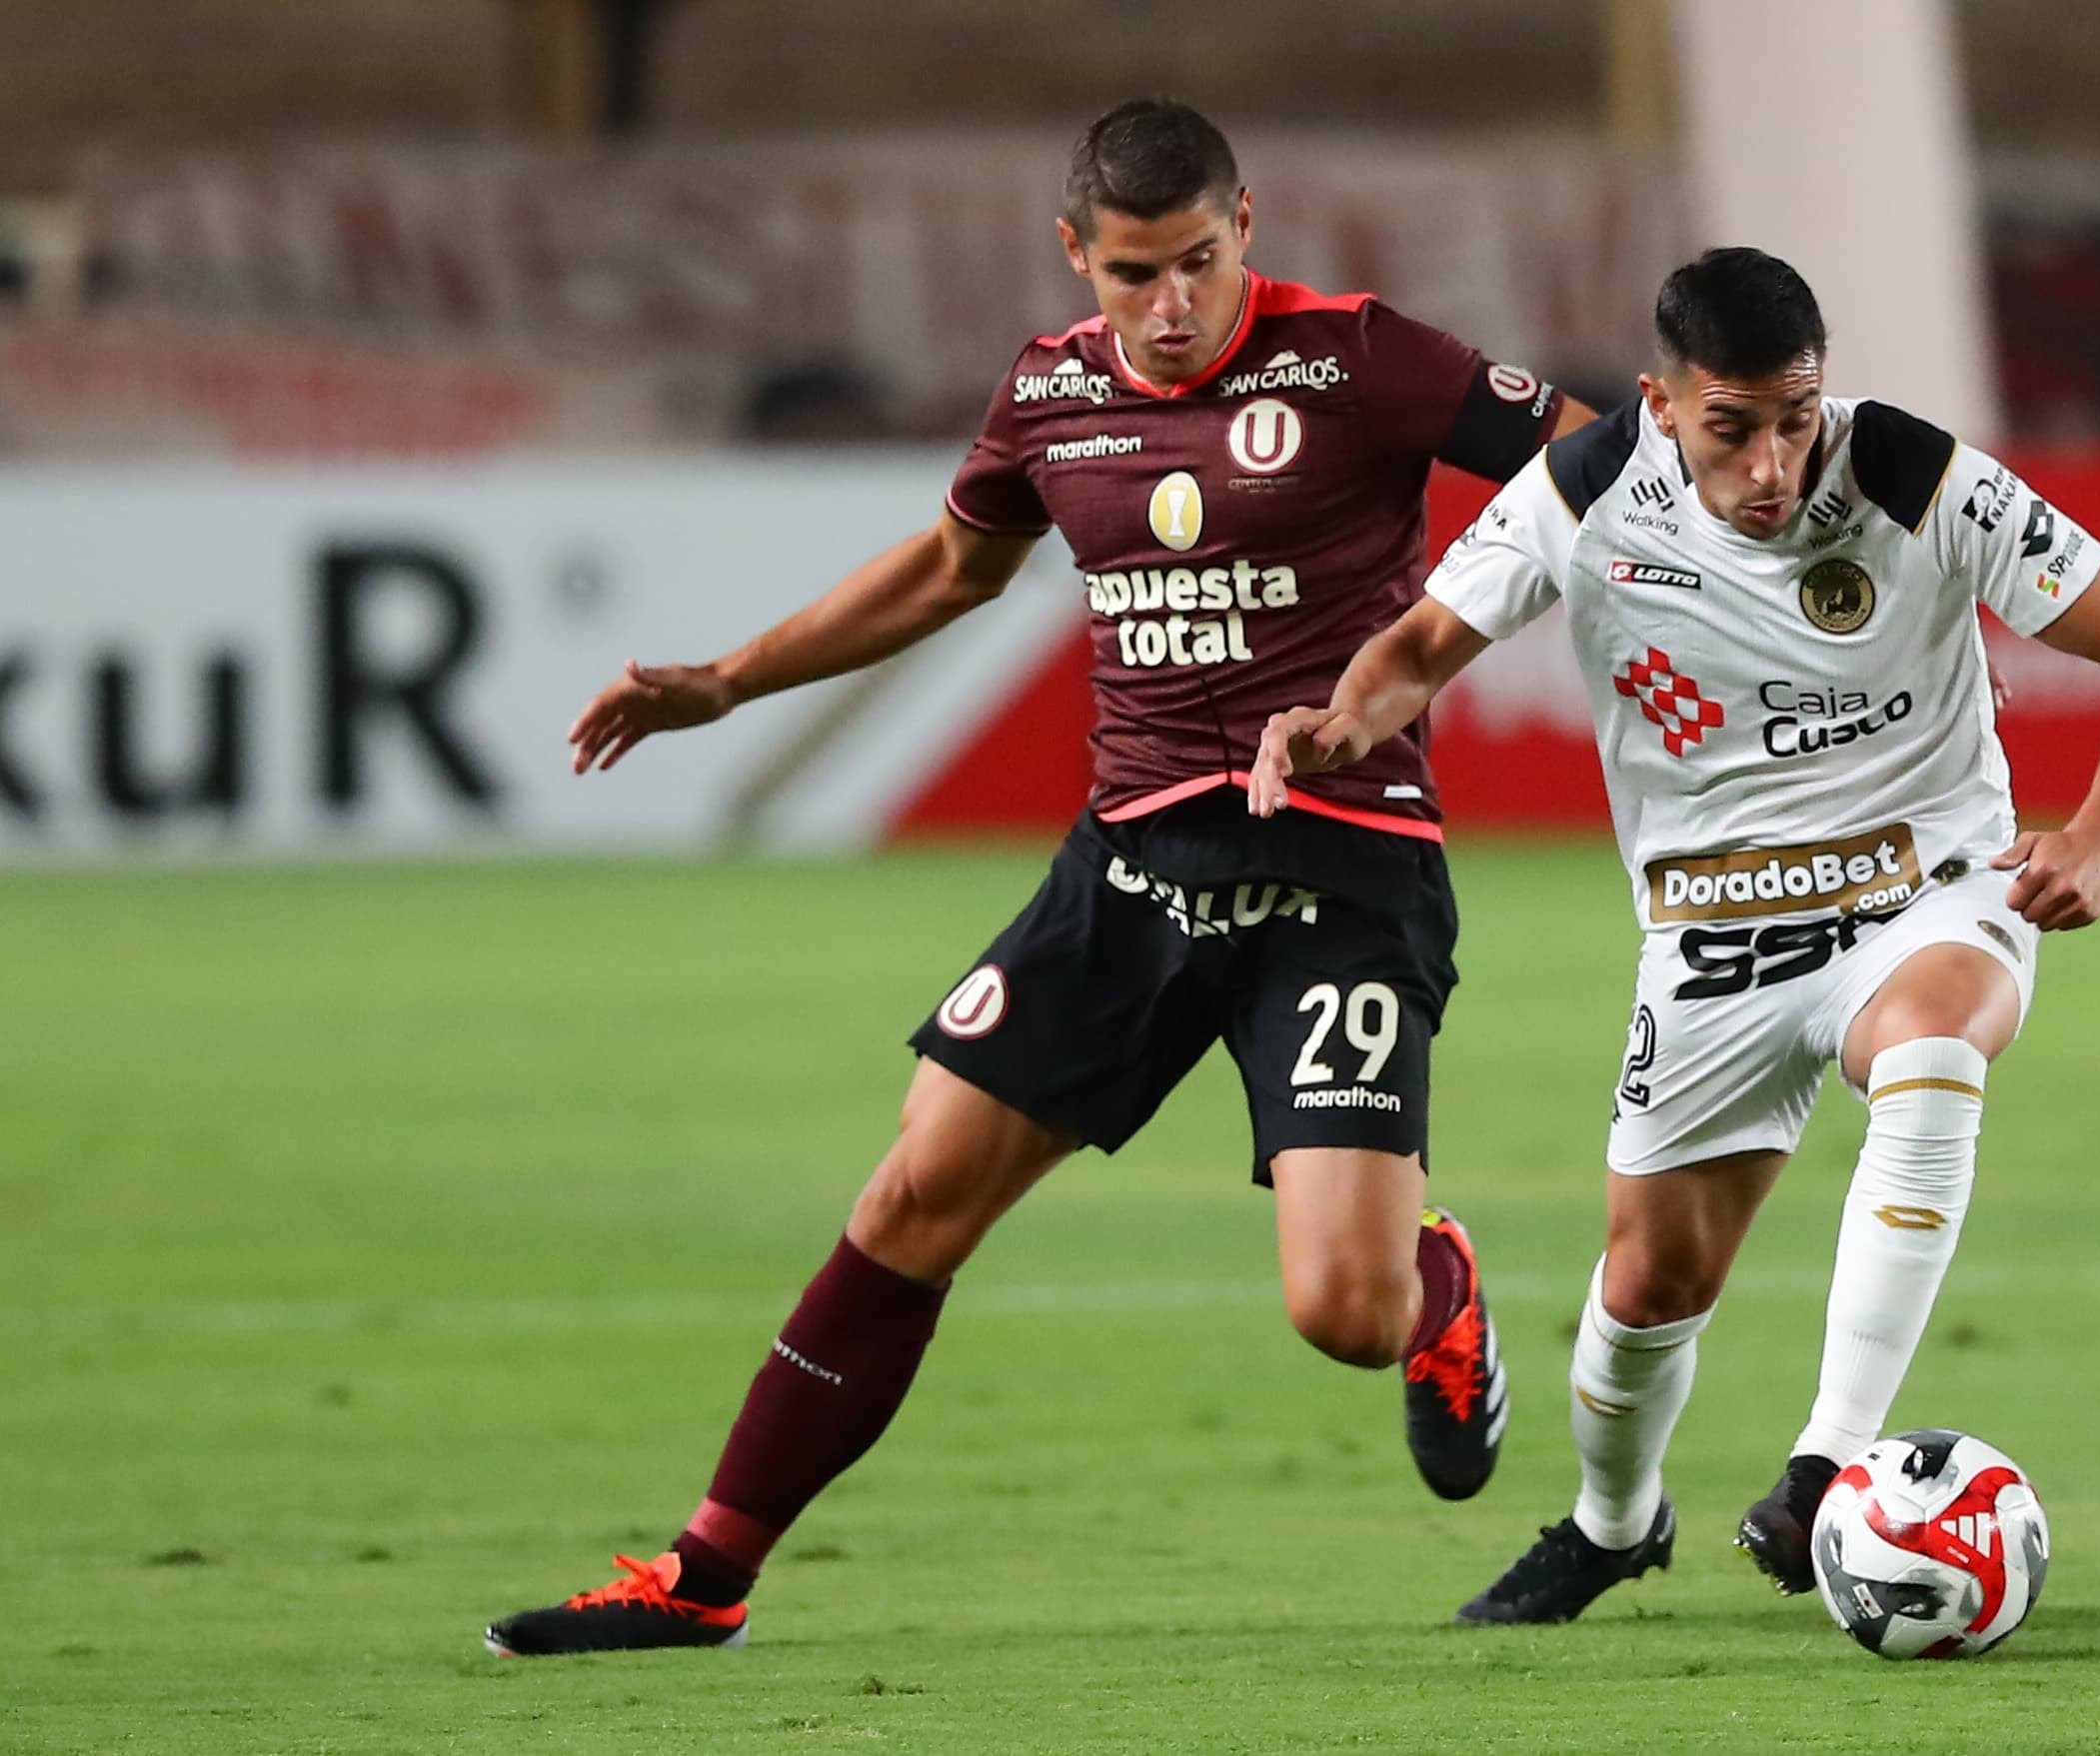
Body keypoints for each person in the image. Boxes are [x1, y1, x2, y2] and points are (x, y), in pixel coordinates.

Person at [483, 98, 1591, 1657]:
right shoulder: (1050, 395)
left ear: (1246, 226)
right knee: (913, 1191)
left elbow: (1593, 460)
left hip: (1341, 876)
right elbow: (955, 568)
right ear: (1076, 252)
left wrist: (1434, 645)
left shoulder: (1361, 357)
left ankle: (1432, 1277)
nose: (1172, 302)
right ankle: (706, 1570)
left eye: (1199, 260)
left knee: (1345, 1313)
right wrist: (729, 681)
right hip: (1130, 870)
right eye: (1135, 271)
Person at [1247, 247, 2100, 1624]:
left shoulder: (1913, 476)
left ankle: (1826, 1466)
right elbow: (1417, 652)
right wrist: (1342, 723)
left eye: (1796, 419)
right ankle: (1612, 1523)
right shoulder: (1583, 493)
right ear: (1660, 404)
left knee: (1934, 1050)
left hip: (1925, 881)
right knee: (1647, 1288)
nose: (1773, 464)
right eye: (1732, 427)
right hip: (1715, 929)